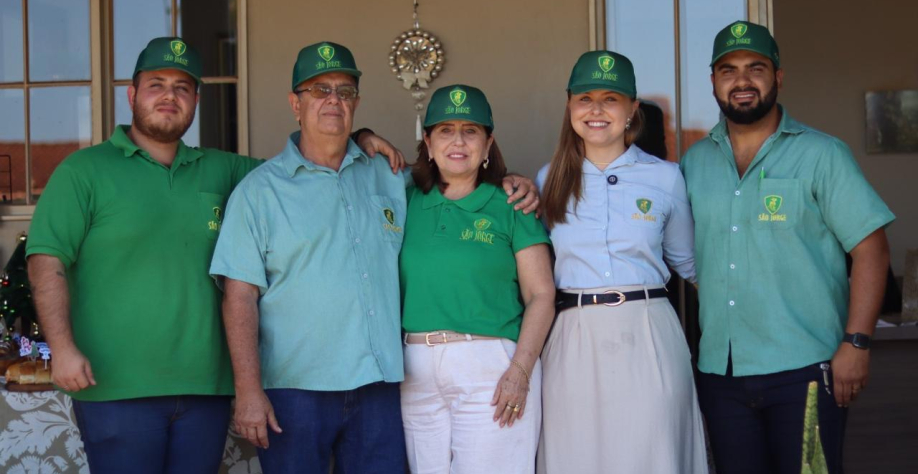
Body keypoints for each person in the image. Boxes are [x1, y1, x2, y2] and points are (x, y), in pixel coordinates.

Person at [25, 37, 401, 474]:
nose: (170, 96)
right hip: (116, 386)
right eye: (156, 84)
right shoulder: (84, 171)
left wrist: (358, 135)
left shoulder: (226, 171)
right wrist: (63, 347)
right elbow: (45, 260)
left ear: (196, 101)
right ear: (132, 95)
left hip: (205, 389)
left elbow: (311, 165)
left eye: (183, 87)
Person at [209, 43, 539, 474]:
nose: (333, 100)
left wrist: (510, 181)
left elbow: (455, 178)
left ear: (356, 103)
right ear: (295, 103)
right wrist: (248, 389)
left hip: (380, 388)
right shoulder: (259, 192)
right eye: (319, 90)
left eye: (345, 92)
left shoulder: (389, 176)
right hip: (295, 390)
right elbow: (239, 296)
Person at [680, 21, 894, 473]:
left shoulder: (822, 155)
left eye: (755, 68)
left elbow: (871, 250)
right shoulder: (694, 163)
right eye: (728, 69)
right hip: (722, 372)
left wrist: (857, 343)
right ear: (713, 80)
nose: (742, 81)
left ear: (778, 77)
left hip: (806, 370)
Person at [535, 50, 708, 473]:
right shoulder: (546, 178)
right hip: (574, 333)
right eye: (585, 98)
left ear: (632, 109)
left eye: (610, 99)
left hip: (648, 330)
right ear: (570, 106)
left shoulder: (665, 177)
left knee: (651, 451)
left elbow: (691, 264)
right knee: (578, 453)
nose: (596, 110)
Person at [398, 85, 555, 473]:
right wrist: (364, 135)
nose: (458, 140)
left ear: (488, 145)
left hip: (491, 367)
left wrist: (520, 371)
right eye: (446, 129)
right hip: (414, 369)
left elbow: (541, 294)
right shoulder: (402, 199)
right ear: (428, 143)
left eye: (470, 130)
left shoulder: (512, 204)